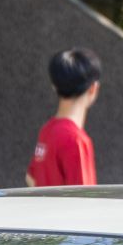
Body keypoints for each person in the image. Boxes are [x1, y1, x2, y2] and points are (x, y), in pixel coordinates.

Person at [26, 48, 101, 187]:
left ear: (54, 86)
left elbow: (31, 178)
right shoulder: (76, 140)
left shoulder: (46, 130)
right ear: (93, 88)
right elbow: (85, 196)